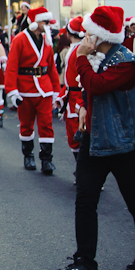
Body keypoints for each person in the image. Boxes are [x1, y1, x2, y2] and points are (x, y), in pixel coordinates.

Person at [54, 5, 135, 270]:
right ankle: (84, 263)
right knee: (85, 200)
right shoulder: (97, 58)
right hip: (95, 140)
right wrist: (83, 107)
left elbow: (97, 85)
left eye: (89, 32)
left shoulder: (127, 62)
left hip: (125, 144)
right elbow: (89, 91)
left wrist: (80, 58)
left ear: (101, 35)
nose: (85, 36)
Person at [5, 6, 61, 174]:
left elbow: (52, 68)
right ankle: (28, 156)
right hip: (25, 89)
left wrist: (57, 91)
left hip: (45, 89)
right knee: (26, 125)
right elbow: (11, 67)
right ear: (35, 23)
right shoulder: (19, 39)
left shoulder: (47, 40)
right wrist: (12, 91)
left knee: (47, 125)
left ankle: (46, 159)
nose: (48, 25)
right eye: (46, 22)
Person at [56, 17, 86, 175]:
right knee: (75, 136)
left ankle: (83, 172)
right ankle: (81, 171)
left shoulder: (79, 50)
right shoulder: (76, 48)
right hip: (72, 95)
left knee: (78, 136)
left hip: (77, 98)